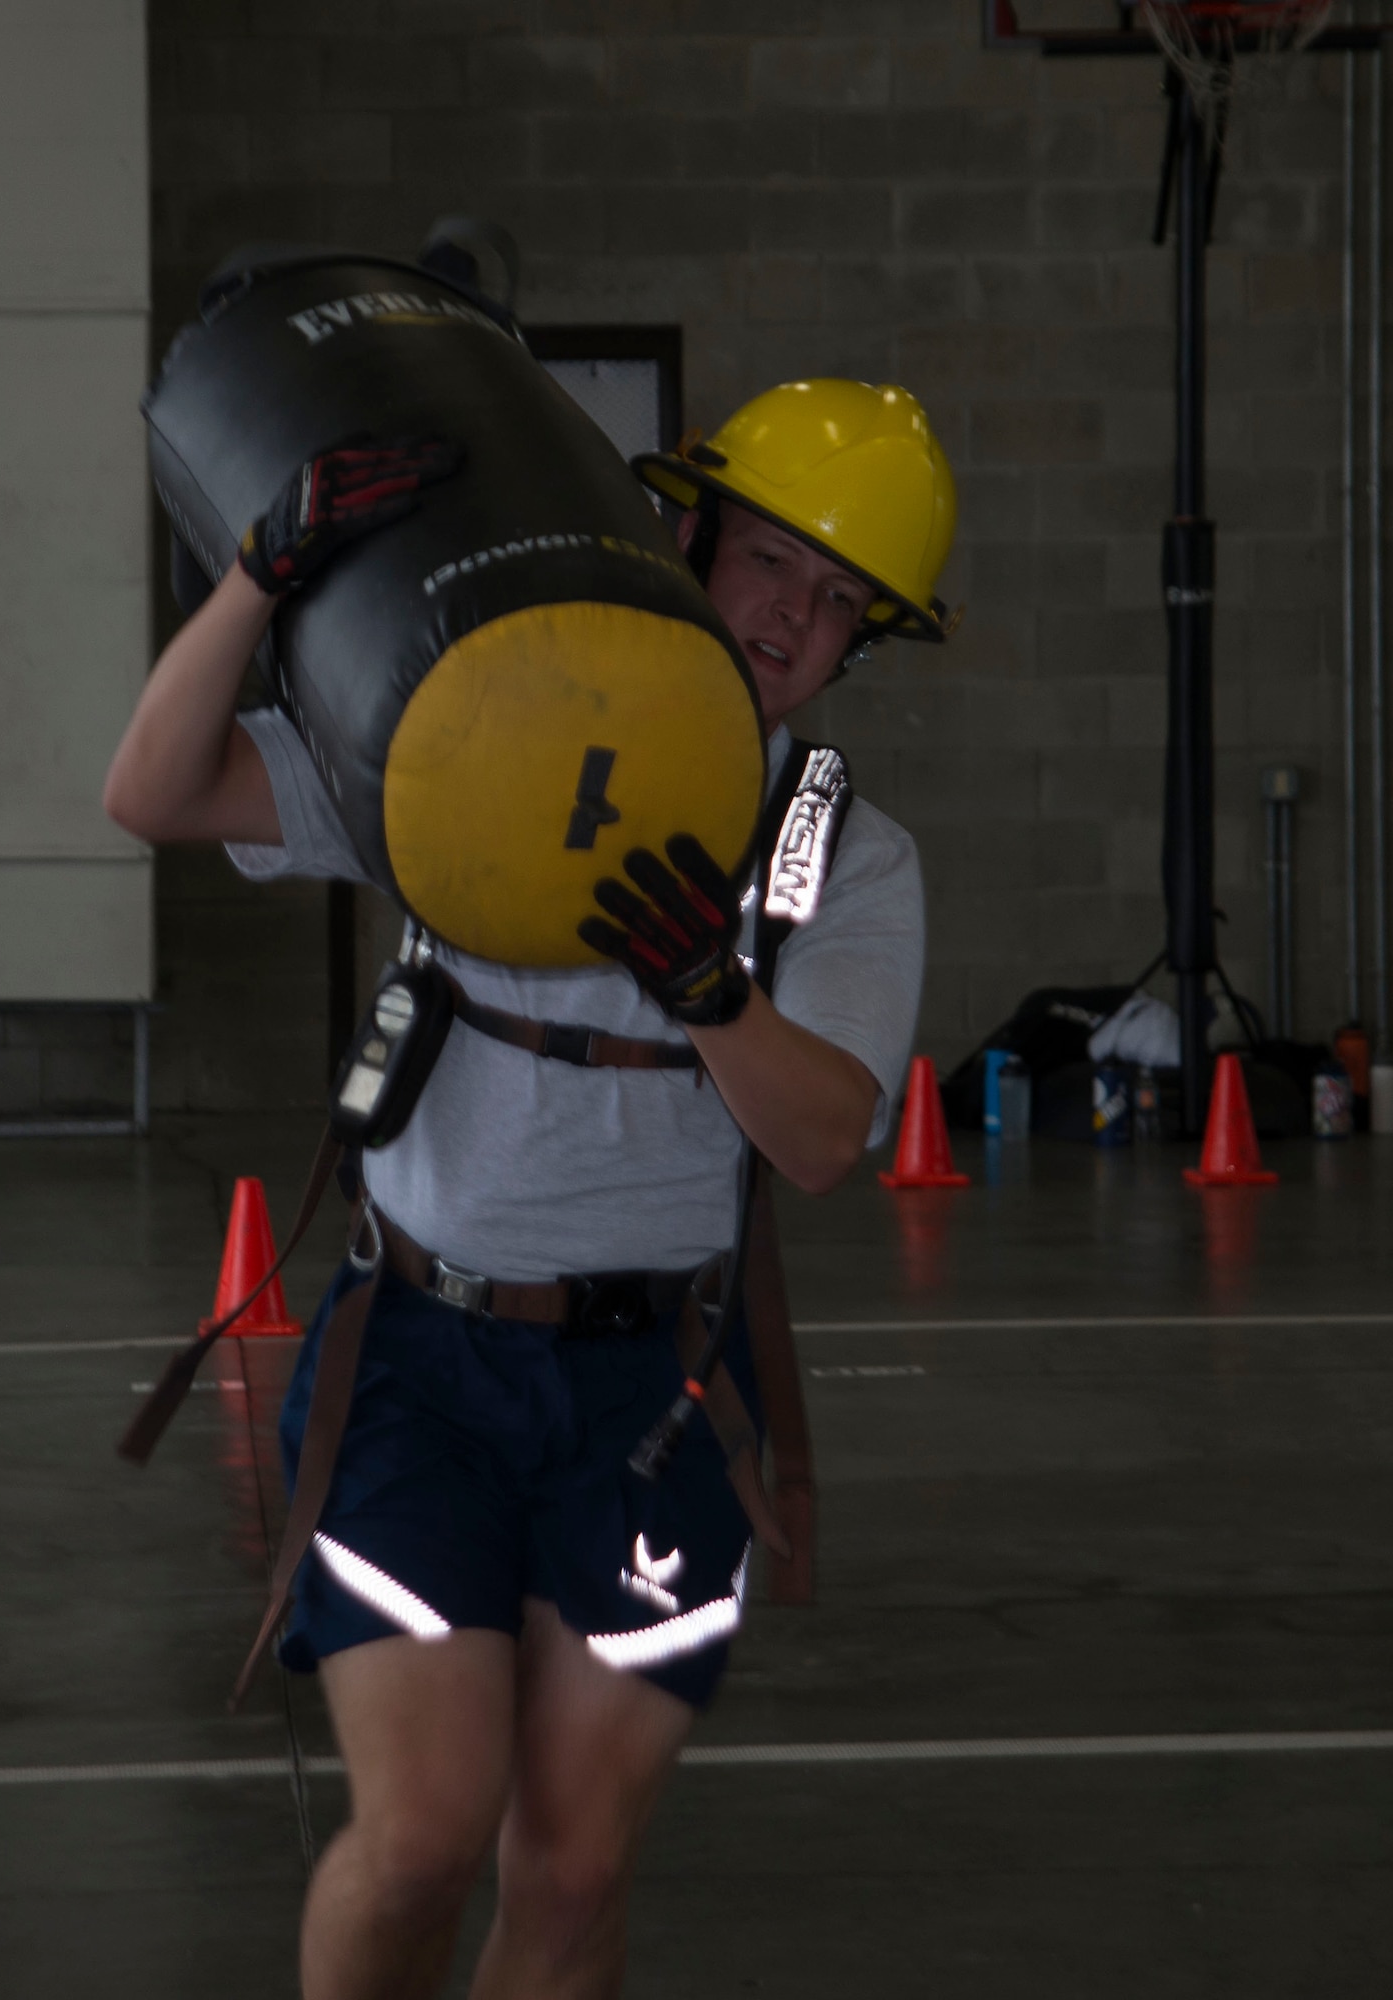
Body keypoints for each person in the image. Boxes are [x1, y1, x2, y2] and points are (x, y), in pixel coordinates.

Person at [104, 378, 956, 2000]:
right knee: (423, 1836)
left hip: (660, 1395)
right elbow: (156, 791)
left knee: (568, 1872)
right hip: (421, 1365)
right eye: (773, 562)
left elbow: (830, 1139)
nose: (794, 618)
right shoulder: (488, 728)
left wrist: (719, 994)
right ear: (683, 531)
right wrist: (261, 577)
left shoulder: (830, 854)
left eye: (843, 603)